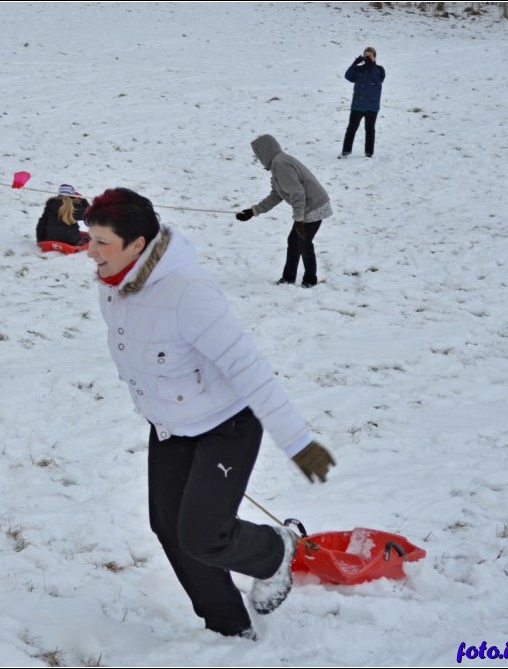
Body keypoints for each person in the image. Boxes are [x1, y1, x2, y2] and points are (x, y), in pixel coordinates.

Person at [85, 187, 336, 640]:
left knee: (204, 534)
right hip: (170, 426)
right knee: (168, 527)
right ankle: (227, 627)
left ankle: (275, 552)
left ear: (137, 245)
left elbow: (248, 367)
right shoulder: (115, 286)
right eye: (90, 240)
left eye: (102, 243)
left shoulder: (189, 292)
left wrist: (298, 442)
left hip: (228, 426)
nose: (91, 253)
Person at [235, 134, 333, 288]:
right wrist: (253, 211)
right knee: (294, 241)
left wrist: (299, 219)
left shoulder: (281, 165)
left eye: (258, 154)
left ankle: (310, 280)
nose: (258, 158)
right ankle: (288, 278)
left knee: (303, 243)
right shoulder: (277, 164)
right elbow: (276, 195)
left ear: (264, 152)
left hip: (314, 206)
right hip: (307, 207)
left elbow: (297, 193)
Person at [338, 46, 385, 159]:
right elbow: (348, 76)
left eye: (370, 55)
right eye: (366, 55)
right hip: (357, 105)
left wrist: (371, 65)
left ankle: (369, 153)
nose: (367, 57)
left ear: (375, 57)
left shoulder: (379, 69)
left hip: (372, 106)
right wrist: (354, 64)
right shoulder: (359, 69)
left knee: (369, 130)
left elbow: (378, 79)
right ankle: (346, 151)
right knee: (351, 129)